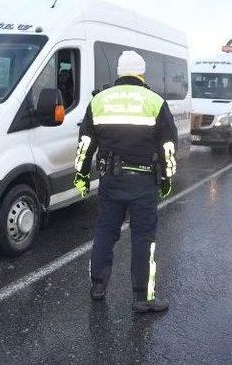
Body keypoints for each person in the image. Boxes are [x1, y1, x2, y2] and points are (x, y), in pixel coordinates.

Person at [73, 50, 177, 313]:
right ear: (141, 74)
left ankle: (98, 287)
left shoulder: (99, 101)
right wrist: (167, 177)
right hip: (144, 183)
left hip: (111, 181)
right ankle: (142, 298)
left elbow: (85, 144)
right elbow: (167, 146)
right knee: (143, 239)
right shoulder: (154, 101)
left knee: (105, 233)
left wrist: (82, 176)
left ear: (119, 73)